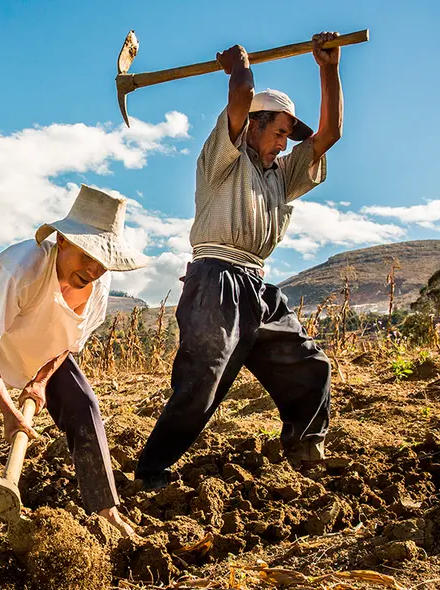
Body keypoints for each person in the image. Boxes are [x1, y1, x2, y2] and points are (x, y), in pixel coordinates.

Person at [134, 32, 345, 489]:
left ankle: (305, 450)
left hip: (257, 285)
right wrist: (239, 67)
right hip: (216, 279)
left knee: (309, 365)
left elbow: (329, 134)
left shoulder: (280, 175)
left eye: (287, 136)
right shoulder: (223, 160)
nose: (284, 144)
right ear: (253, 124)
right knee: (203, 380)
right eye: (278, 132)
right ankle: (150, 471)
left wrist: (329, 69)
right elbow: (243, 93)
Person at [0, 185, 146, 535]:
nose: (94, 269)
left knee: (84, 405)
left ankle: (105, 510)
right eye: (86, 255)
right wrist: (8, 410)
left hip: (38, 349)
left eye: (103, 261)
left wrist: (40, 381)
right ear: (62, 240)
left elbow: (68, 343)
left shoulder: (99, 286)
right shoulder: (23, 269)